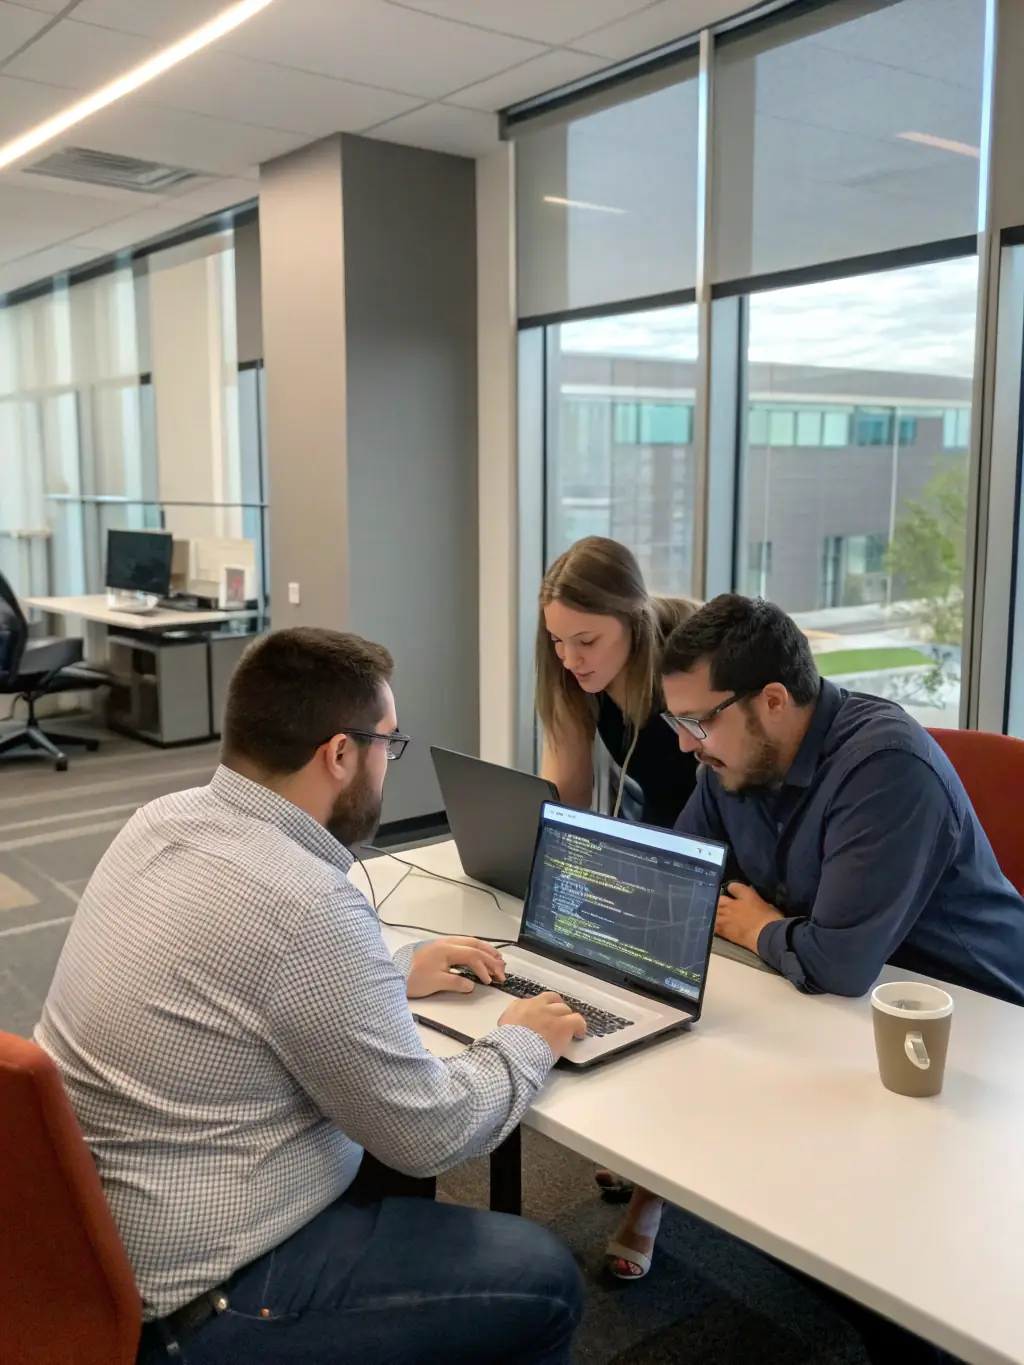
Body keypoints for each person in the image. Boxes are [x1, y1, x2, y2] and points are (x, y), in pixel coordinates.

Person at [37, 627, 587, 1365]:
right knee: (544, 1274)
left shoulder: (157, 822)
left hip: (89, 1244)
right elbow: (434, 1131)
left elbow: (237, 973)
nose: (387, 766)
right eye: (387, 745)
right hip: (202, 1301)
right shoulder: (305, 903)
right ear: (337, 753)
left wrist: (392, 965)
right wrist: (525, 1035)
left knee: (385, 1156)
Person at [606, 594, 1024, 1326]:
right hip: (841, 1019)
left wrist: (763, 926)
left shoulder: (885, 768)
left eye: (698, 721)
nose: (685, 745)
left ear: (773, 700)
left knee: (891, 1276)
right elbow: (677, 885)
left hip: (974, 1029)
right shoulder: (730, 759)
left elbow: (838, 963)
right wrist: (767, 928)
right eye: (678, 722)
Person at [537, 535, 700, 830]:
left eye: (587, 641)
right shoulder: (574, 672)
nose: (571, 660)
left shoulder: (691, 663)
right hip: (648, 837)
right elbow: (566, 795)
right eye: (557, 640)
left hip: (715, 844)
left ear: (633, 621)